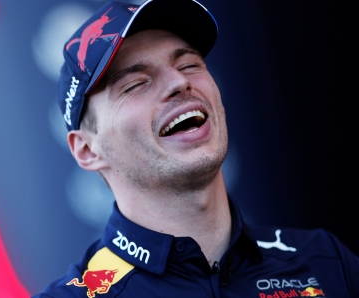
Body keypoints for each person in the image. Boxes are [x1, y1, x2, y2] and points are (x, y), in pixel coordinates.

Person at [35, 0, 359, 297]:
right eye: (135, 84)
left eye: (189, 64)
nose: (178, 82)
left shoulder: (325, 261)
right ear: (87, 150)